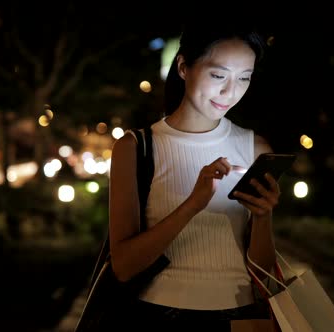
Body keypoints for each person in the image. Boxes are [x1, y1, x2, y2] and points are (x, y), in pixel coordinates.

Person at [108, 21, 279, 331]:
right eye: (218, 75)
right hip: (159, 315)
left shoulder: (254, 148)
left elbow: (263, 273)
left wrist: (264, 216)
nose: (231, 91)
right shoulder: (135, 148)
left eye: (244, 78)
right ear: (183, 66)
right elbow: (123, 265)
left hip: (239, 316)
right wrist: (192, 205)